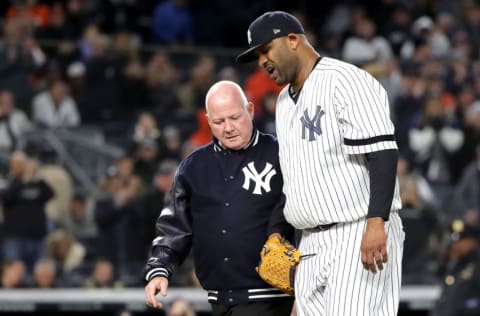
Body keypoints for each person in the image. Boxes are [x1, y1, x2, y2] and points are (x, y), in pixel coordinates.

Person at [236, 11, 405, 316]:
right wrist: (277, 231)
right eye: (257, 55)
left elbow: (382, 152)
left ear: (292, 40)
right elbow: (294, 178)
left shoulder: (345, 80)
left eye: (265, 50)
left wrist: (377, 222)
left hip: (357, 231)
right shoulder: (284, 103)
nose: (261, 61)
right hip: (310, 243)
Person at [144, 80, 294, 316]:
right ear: (208, 121)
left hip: (272, 297)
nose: (228, 128)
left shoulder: (282, 154)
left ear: (251, 111)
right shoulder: (192, 166)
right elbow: (174, 225)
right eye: (219, 121)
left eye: (235, 118)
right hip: (218, 299)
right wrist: (160, 268)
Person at [431, 220, 480, 316]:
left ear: (472, 242)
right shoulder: (455, 265)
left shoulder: (477, 266)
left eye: (461, 241)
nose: (456, 246)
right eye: (455, 242)